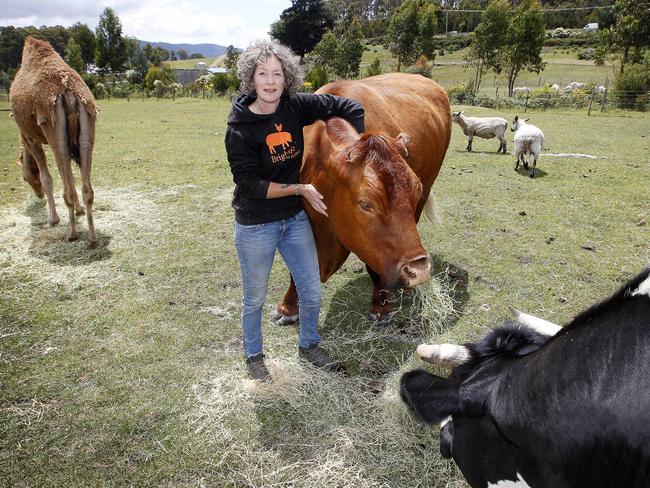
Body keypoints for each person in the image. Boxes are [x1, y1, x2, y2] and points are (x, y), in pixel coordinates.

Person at [225, 40, 365, 382]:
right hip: (256, 225)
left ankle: (309, 346)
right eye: (262, 74)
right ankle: (255, 358)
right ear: (250, 79)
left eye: (277, 73)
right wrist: (301, 188)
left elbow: (348, 105)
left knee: (311, 290)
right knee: (255, 298)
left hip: (293, 220)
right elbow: (250, 185)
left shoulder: (295, 106)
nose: (270, 81)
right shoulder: (239, 129)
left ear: (287, 77)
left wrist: (359, 149)